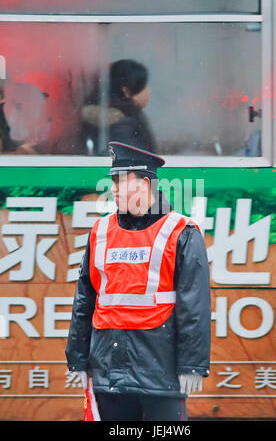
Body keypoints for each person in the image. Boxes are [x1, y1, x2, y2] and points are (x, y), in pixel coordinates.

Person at [65, 141, 211, 421]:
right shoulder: (101, 231)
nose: (114, 189)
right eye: (113, 182)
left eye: (121, 182)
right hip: (109, 372)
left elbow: (195, 305)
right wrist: (77, 358)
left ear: (145, 184)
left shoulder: (181, 232)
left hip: (161, 373)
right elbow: (86, 297)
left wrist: (193, 365)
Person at [81, 59, 158, 154]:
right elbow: (132, 159)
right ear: (126, 91)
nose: (148, 91)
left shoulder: (128, 113)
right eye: (142, 86)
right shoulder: (121, 122)